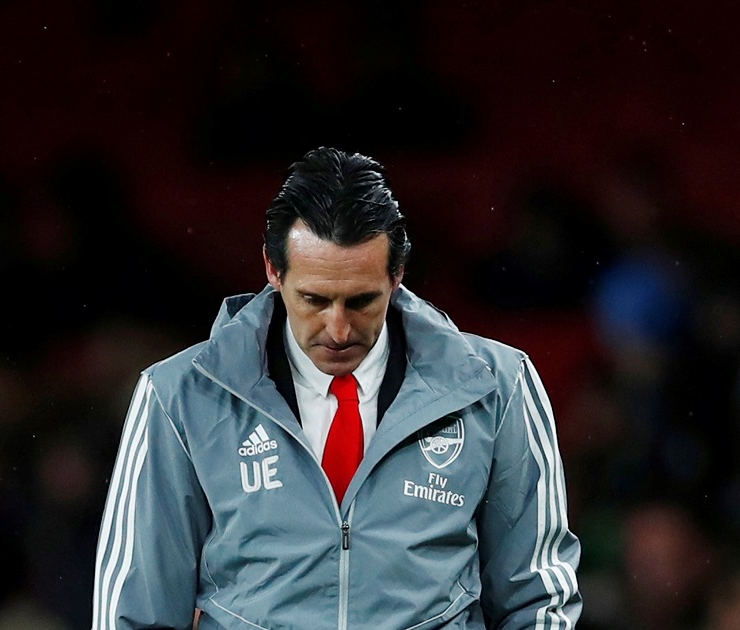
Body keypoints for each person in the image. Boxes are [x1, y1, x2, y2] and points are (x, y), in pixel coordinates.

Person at [92, 147, 582, 629]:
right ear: (272, 270)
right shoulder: (179, 396)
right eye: (314, 299)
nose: (339, 328)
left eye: (361, 300)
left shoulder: (498, 386)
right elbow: (134, 613)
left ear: (397, 275)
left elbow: (539, 601)